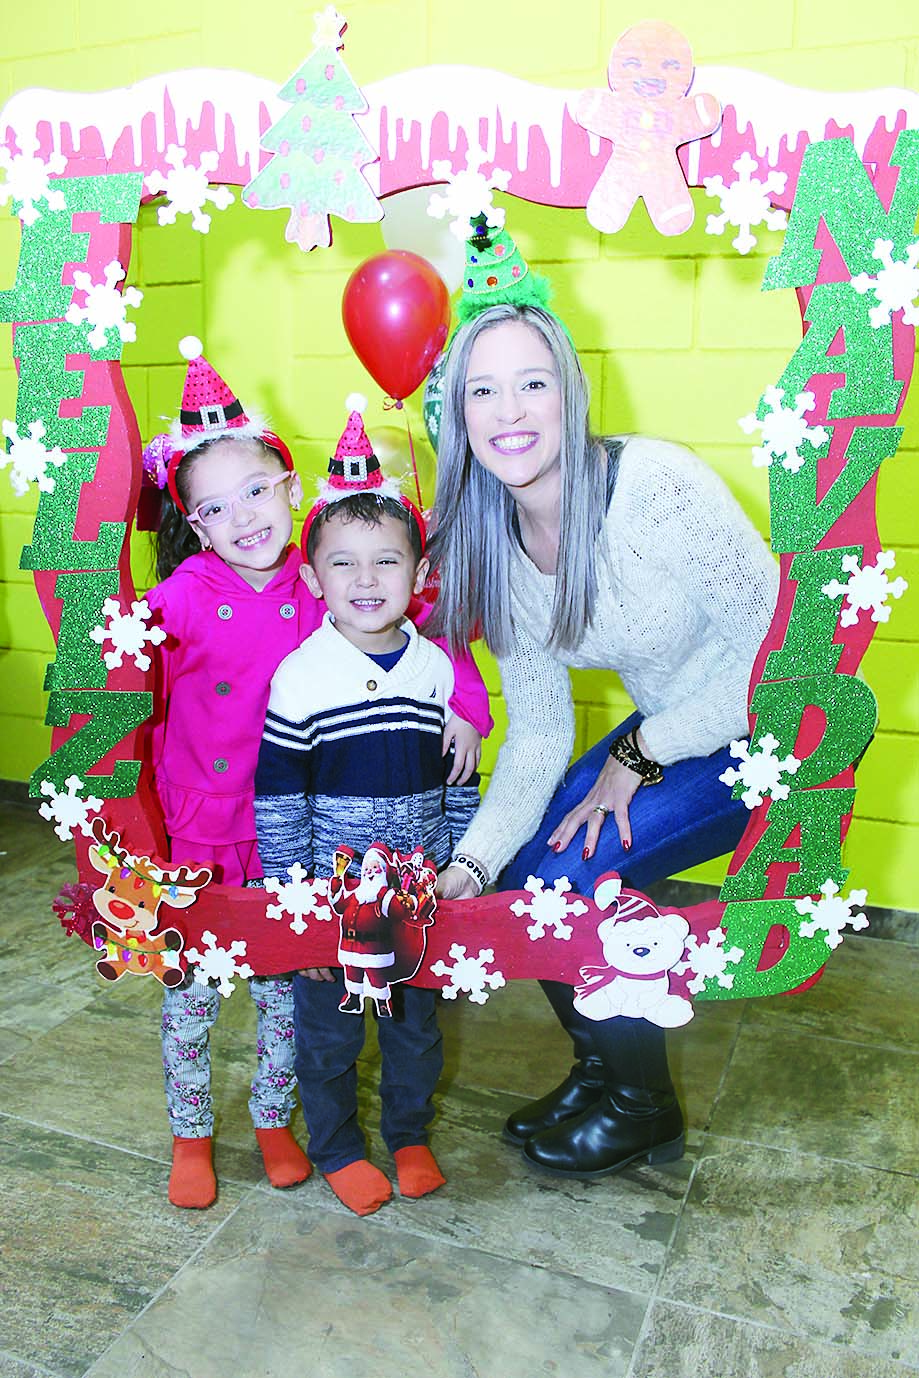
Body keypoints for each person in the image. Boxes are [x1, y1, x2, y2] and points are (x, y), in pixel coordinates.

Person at [429, 286, 778, 1180]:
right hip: (671, 727)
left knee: (579, 879)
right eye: (481, 391)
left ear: (570, 394)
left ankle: (642, 1106)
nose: (508, 413)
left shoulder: (656, 490)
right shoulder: (494, 538)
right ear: (455, 412)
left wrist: (638, 751)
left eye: (532, 384)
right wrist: (468, 864)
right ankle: (600, 1070)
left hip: (769, 729)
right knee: (529, 868)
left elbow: (782, 664)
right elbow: (538, 735)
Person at [147, 350, 489, 1209]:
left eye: (257, 491)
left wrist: (469, 712)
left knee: (285, 990)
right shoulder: (186, 592)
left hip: (290, 832)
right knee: (191, 990)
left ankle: (273, 1118)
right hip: (201, 828)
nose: (243, 517)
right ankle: (191, 1135)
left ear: (291, 488)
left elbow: (439, 634)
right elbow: (120, 657)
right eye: (215, 507)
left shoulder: (324, 581)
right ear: (193, 521)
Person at [253, 412, 483, 1217]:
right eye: (342, 563)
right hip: (333, 900)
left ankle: (409, 1133)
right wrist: (297, 910)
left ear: (417, 570)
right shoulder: (300, 678)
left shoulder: (436, 671)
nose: (365, 578)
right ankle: (339, 1147)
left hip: (420, 890)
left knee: (417, 1032)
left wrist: (458, 866)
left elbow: (459, 783)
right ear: (312, 580)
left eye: (386, 559)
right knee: (330, 1040)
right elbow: (279, 805)